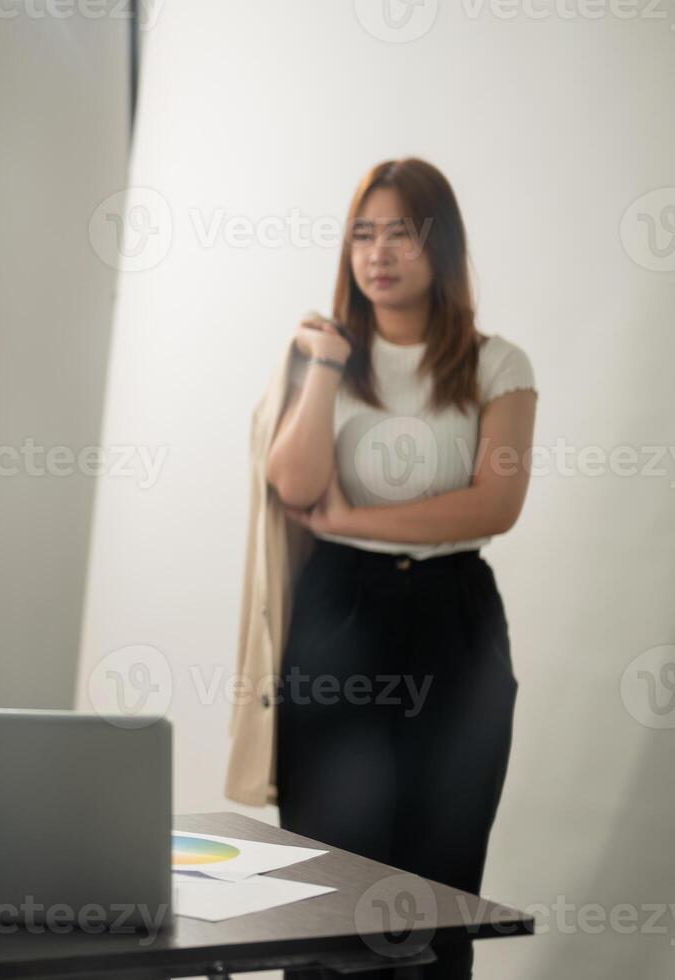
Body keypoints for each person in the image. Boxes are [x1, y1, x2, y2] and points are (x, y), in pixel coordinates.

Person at [261, 157, 536, 979]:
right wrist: (323, 367)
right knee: (327, 872)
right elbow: (294, 484)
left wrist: (354, 517)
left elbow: (495, 505)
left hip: (455, 618)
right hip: (341, 614)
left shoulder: (498, 365)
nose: (379, 254)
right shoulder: (325, 357)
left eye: (403, 235)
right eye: (363, 235)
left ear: (441, 248)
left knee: (439, 871)